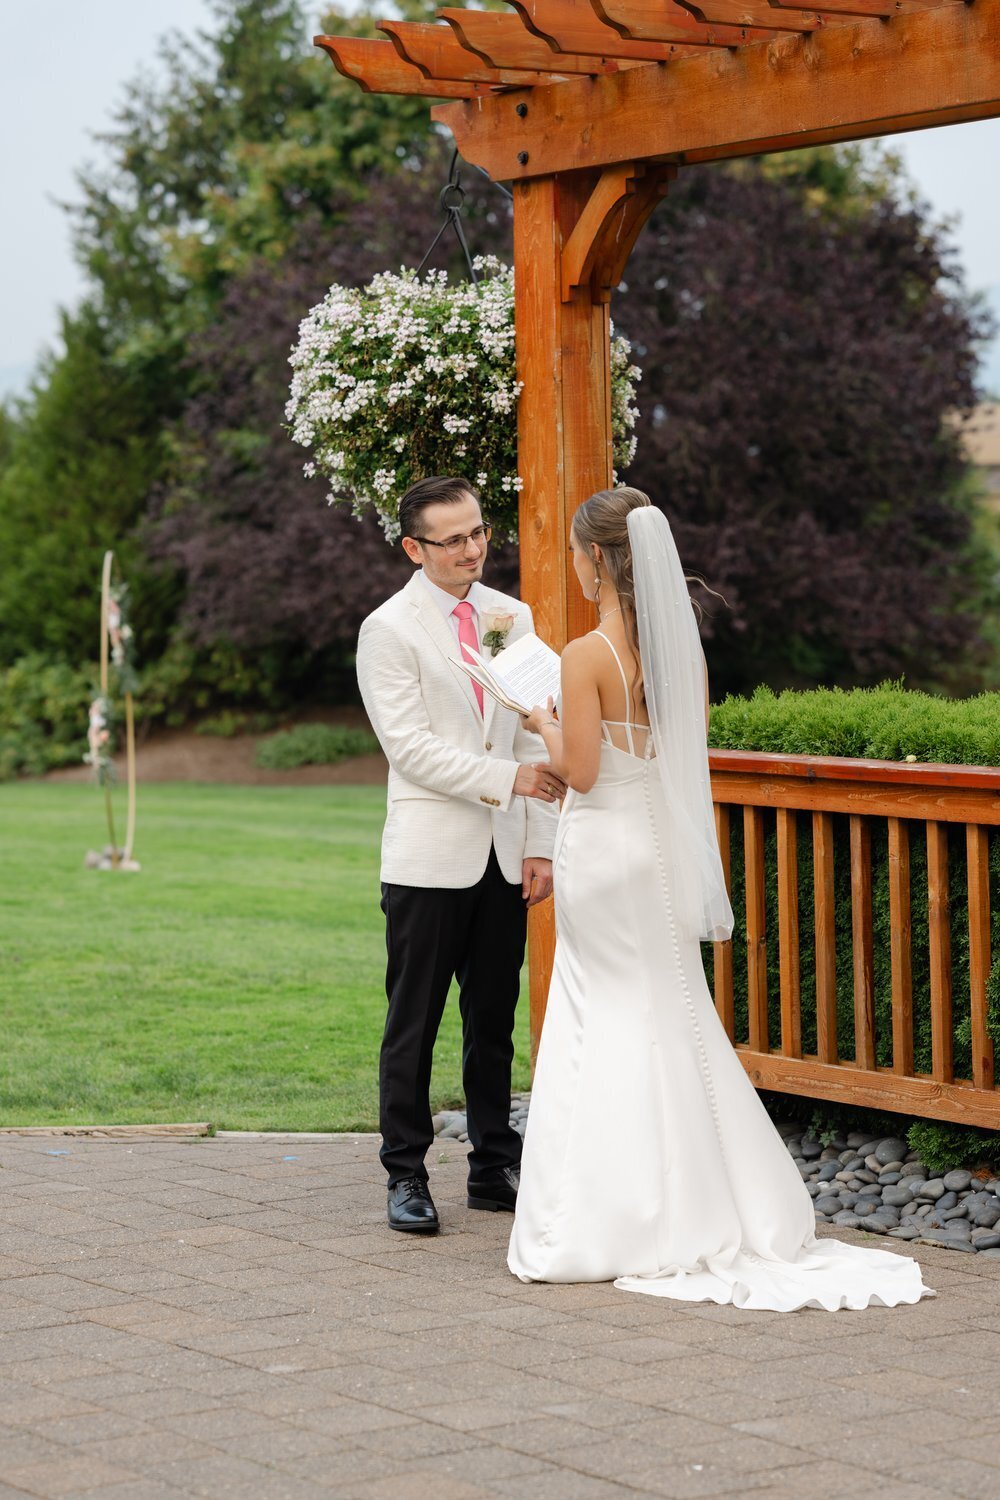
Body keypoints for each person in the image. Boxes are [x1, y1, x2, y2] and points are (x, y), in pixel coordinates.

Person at [508, 486, 934, 1311]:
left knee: (603, 1013)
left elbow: (584, 774)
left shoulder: (585, 655)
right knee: (670, 1010)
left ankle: (609, 1215)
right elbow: (675, 758)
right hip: (658, 851)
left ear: (596, 558)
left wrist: (541, 722)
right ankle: (707, 1201)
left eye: (574, 551)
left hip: (604, 852)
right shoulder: (682, 651)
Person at [356, 476, 563, 1235]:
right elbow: (409, 750)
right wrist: (508, 780)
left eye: (478, 533)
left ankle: (490, 1167)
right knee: (413, 1023)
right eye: (452, 539)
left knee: (493, 1021)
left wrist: (539, 845)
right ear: (414, 548)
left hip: (506, 856)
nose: (471, 549)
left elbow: (537, 730)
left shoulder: (512, 616)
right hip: (428, 860)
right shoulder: (390, 629)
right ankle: (405, 1175)